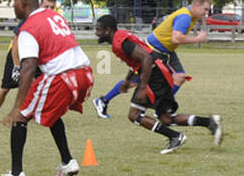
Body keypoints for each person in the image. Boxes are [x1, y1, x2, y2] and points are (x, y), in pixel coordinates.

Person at [0, 0, 93, 176]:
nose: (13, 6)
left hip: (63, 76)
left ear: (23, 4)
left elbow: (29, 67)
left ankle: (16, 174)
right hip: (85, 74)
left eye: (14, 2)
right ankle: (67, 162)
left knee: (20, 116)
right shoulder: (53, 16)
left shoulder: (27, 29)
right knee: (52, 112)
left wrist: (16, 106)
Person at [94, 15, 221, 152]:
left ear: (107, 30)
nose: (96, 33)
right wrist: (127, 80)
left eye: (98, 29)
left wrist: (142, 87)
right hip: (159, 71)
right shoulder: (119, 39)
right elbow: (136, 61)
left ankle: (175, 137)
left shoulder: (120, 41)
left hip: (154, 74)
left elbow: (147, 58)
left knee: (134, 114)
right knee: (165, 118)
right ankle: (209, 122)